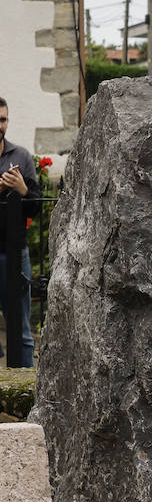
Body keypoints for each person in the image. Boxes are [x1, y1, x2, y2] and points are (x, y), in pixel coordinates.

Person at [0, 97, 40, 367]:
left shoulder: (21, 156)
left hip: (15, 252)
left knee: (22, 328)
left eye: (3, 119)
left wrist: (23, 190)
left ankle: (24, 391)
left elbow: (36, 206)